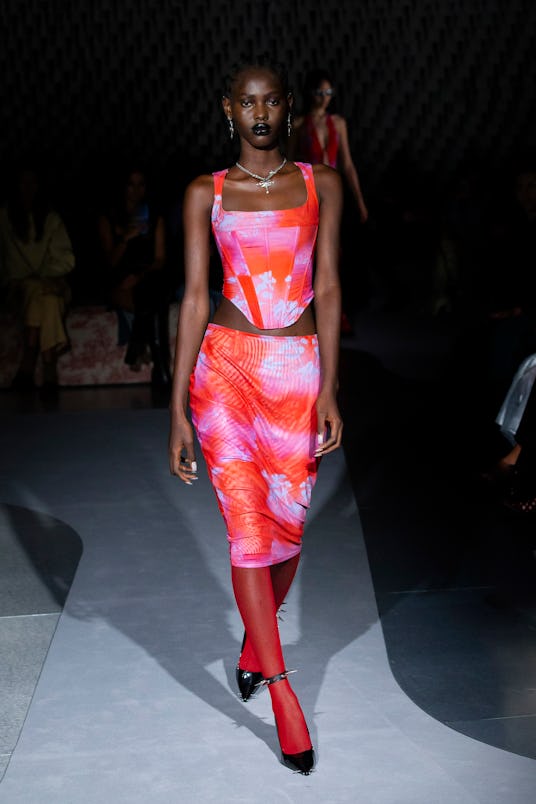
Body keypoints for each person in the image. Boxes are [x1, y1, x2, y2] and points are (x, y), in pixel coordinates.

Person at [168, 60, 343, 775]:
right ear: (228, 111)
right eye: (247, 102)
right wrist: (178, 405)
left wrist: (331, 386)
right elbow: (192, 297)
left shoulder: (318, 183)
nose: (260, 112)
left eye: (271, 101)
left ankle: (251, 646)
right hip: (226, 374)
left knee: (287, 530)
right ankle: (281, 692)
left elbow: (328, 287)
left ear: (289, 109)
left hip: (298, 373)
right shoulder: (204, 193)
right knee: (247, 534)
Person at [0, 165, 75, 389]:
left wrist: (45, 277)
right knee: (41, 294)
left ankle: (29, 358)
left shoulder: (50, 219)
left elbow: (66, 260)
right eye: (23, 182)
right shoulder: (4, 217)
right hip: (18, 288)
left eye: (32, 183)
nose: (28, 188)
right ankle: (49, 364)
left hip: (50, 285)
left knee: (46, 295)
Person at [98, 166, 171, 386]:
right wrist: (127, 238)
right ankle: (160, 364)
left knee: (151, 294)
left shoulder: (155, 217)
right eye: (131, 184)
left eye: (141, 184)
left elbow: (159, 259)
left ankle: (155, 363)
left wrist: (138, 277)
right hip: (118, 280)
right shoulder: (108, 218)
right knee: (150, 305)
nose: (136, 190)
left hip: (146, 279)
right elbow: (109, 262)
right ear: (123, 187)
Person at [290, 69, 368, 223]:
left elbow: (347, 164)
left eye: (328, 92)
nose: (325, 97)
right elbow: (291, 164)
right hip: (309, 189)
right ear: (310, 93)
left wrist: (360, 201)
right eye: (320, 92)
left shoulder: (338, 123)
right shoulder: (299, 125)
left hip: (334, 188)